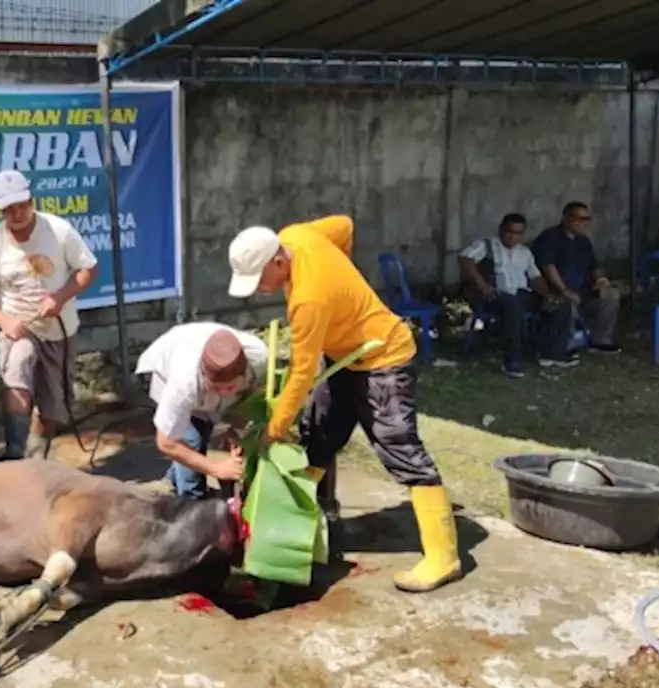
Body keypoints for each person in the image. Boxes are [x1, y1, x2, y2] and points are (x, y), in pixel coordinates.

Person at [226, 215, 462, 594]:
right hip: (344, 359)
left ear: (277, 262)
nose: (261, 290)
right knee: (319, 437)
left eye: (261, 280)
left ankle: (443, 555)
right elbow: (345, 225)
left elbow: (302, 373)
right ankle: (294, 528)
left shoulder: (308, 298)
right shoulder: (295, 236)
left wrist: (273, 429)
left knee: (399, 448)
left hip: (384, 358)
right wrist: (345, 279)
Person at [0, 169, 98, 460]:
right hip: (19, 327)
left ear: (31, 199)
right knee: (16, 372)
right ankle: (15, 455)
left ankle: (36, 460)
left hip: (59, 327)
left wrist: (60, 297)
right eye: (9, 208)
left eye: (22, 204)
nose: (17, 213)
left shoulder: (59, 230)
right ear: (0, 209)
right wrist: (4, 321)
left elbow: (88, 268)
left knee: (54, 405)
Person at [135, 323, 268, 500]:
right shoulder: (183, 385)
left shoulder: (259, 359)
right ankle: (190, 500)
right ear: (204, 377)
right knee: (192, 440)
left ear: (244, 374)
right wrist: (216, 468)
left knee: (204, 428)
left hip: (203, 364)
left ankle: (171, 482)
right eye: (216, 387)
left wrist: (236, 432)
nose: (224, 393)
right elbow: (166, 443)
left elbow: (248, 399)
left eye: (230, 387)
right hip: (168, 362)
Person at [458, 213, 570, 376]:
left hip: (521, 294)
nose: (513, 237)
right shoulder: (487, 245)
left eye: (518, 233)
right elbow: (465, 259)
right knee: (512, 306)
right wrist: (481, 284)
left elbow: (535, 277)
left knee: (561, 303)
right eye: (509, 232)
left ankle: (551, 353)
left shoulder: (524, 252)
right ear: (501, 230)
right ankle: (512, 361)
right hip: (494, 295)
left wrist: (547, 295)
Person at [532, 202, 622, 355]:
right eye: (578, 218)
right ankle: (567, 344)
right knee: (567, 302)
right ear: (565, 218)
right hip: (556, 292)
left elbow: (595, 265)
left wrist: (601, 281)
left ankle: (600, 341)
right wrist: (564, 289)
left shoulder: (583, 241)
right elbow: (547, 266)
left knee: (611, 295)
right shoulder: (550, 237)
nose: (583, 223)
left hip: (583, 291)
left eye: (586, 219)